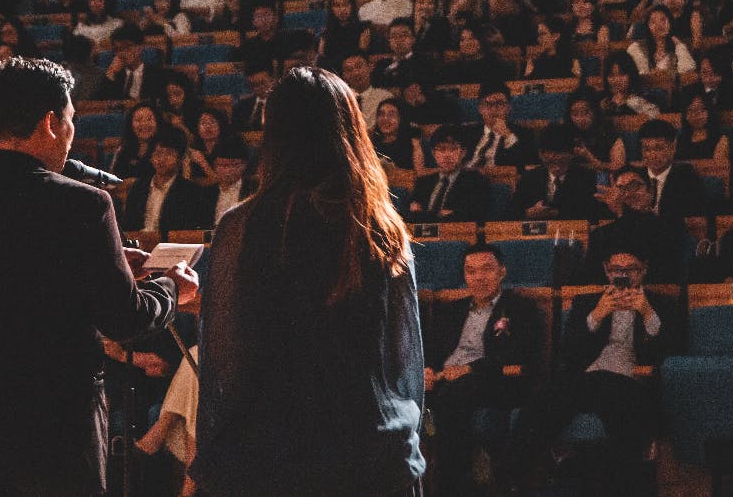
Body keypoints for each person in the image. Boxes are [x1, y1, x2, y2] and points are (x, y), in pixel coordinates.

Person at [0, 57, 197, 497]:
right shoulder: (84, 204)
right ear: (51, 121)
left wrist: (97, 259)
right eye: (71, 119)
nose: (72, 131)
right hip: (56, 422)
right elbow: (124, 319)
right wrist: (172, 288)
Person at [192, 66, 425, 496]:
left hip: (269, 450)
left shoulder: (240, 224)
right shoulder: (380, 224)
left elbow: (224, 360)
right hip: (369, 446)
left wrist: (212, 455)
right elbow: (403, 355)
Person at [528, 246, 683, 493]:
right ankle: (524, 476)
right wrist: (597, 315)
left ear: (643, 271)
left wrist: (646, 313)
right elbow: (568, 351)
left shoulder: (661, 304)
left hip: (631, 382)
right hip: (587, 382)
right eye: (616, 270)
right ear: (606, 271)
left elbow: (672, 350)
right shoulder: (588, 302)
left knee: (616, 400)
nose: (622, 276)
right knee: (542, 401)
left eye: (630, 270)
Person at [424, 243, 543, 493]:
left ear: (502, 272)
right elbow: (433, 350)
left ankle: (450, 482)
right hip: (446, 381)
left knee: (453, 394)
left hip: (492, 381)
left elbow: (520, 353)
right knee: (415, 393)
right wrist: (426, 369)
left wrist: (469, 369)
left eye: (486, 270)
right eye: (470, 271)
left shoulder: (521, 309)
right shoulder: (451, 311)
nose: (478, 278)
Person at [511, 126, 604, 220]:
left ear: (572, 154)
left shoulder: (586, 177)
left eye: (562, 159)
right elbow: (511, 214)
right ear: (541, 154)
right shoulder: (529, 178)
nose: (557, 166)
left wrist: (558, 214)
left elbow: (593, 214)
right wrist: (528, 213)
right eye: (551, 160)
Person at [410, 125, 494, 223]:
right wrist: (442, 214)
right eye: (441, 149)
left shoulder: (476, 181)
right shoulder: (423, 182)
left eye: (453, 149)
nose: (447, 155)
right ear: (434, 153)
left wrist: (426, 215)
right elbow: (410, 214)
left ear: (463, 153)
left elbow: (473, 217)